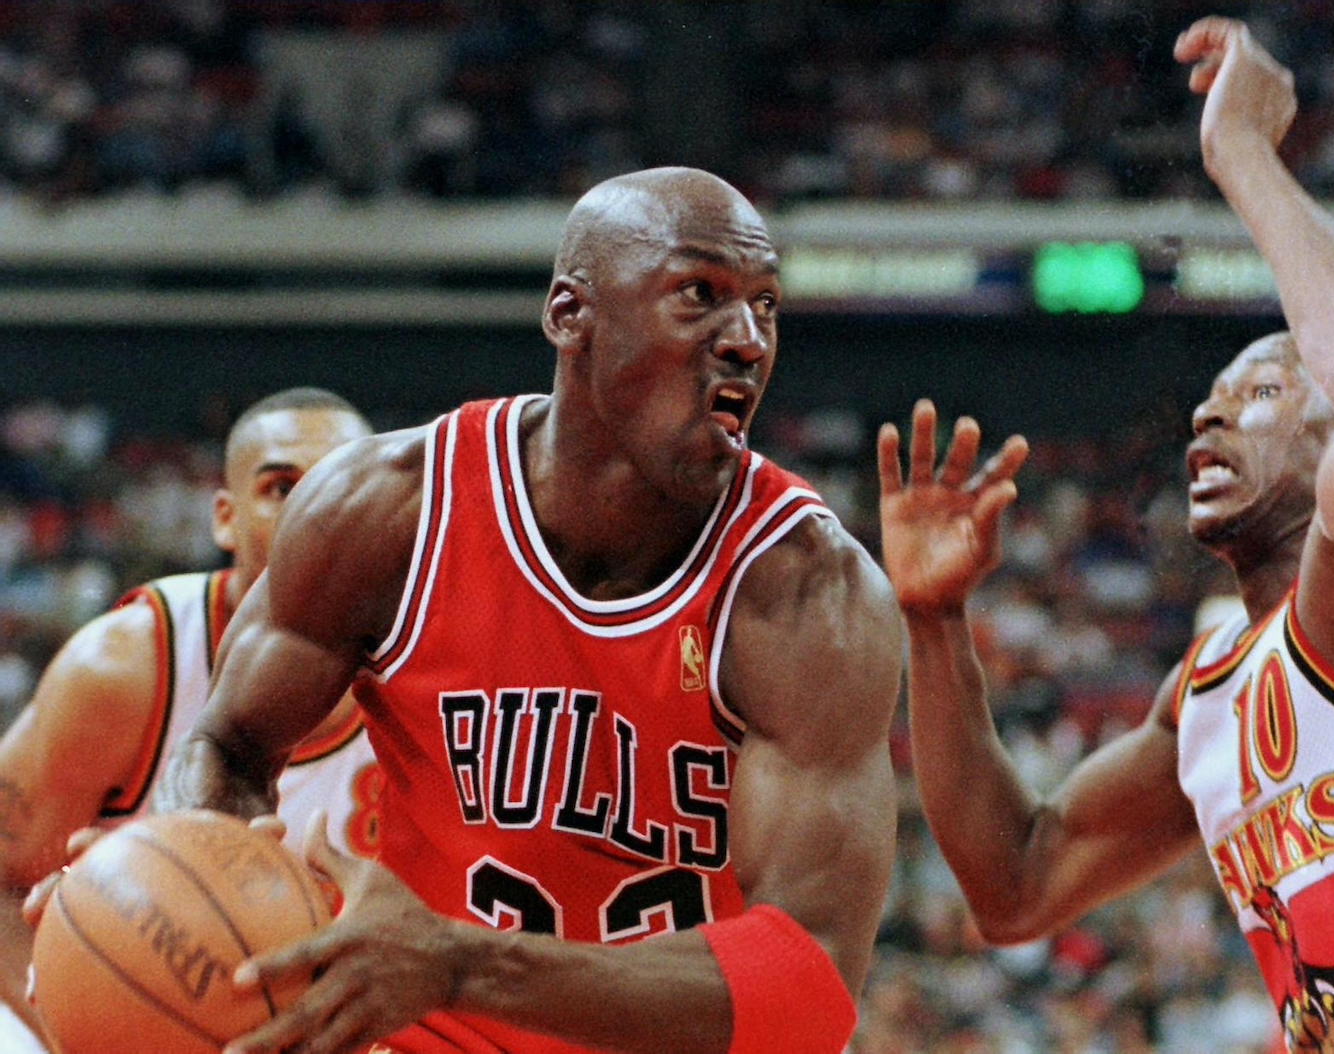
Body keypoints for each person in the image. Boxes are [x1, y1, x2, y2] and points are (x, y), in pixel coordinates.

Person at [151, 167, 902, 1054]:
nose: (746, 338)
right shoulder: (390, 509)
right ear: (569, 315)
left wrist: (465, 966)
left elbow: (811, 985)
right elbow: (227, 747)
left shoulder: (808, 591)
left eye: (766, 306)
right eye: (700, 295)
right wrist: (175, 883)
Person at [878, 17, 1334, 1054]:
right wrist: (934, 623)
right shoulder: (1207, 698)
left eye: (1256, 391)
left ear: (1332, 433)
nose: (1208, 418)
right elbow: (1016, 886)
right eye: (1206, 401)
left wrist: (1242, 154)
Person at [1, 387, 377, 1051]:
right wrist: (76, 1028)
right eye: (282, 486)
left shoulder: (437, 680)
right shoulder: (125, 666)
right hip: (91, 1005)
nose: (315, 510)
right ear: (225, 519)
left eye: (340, 485)